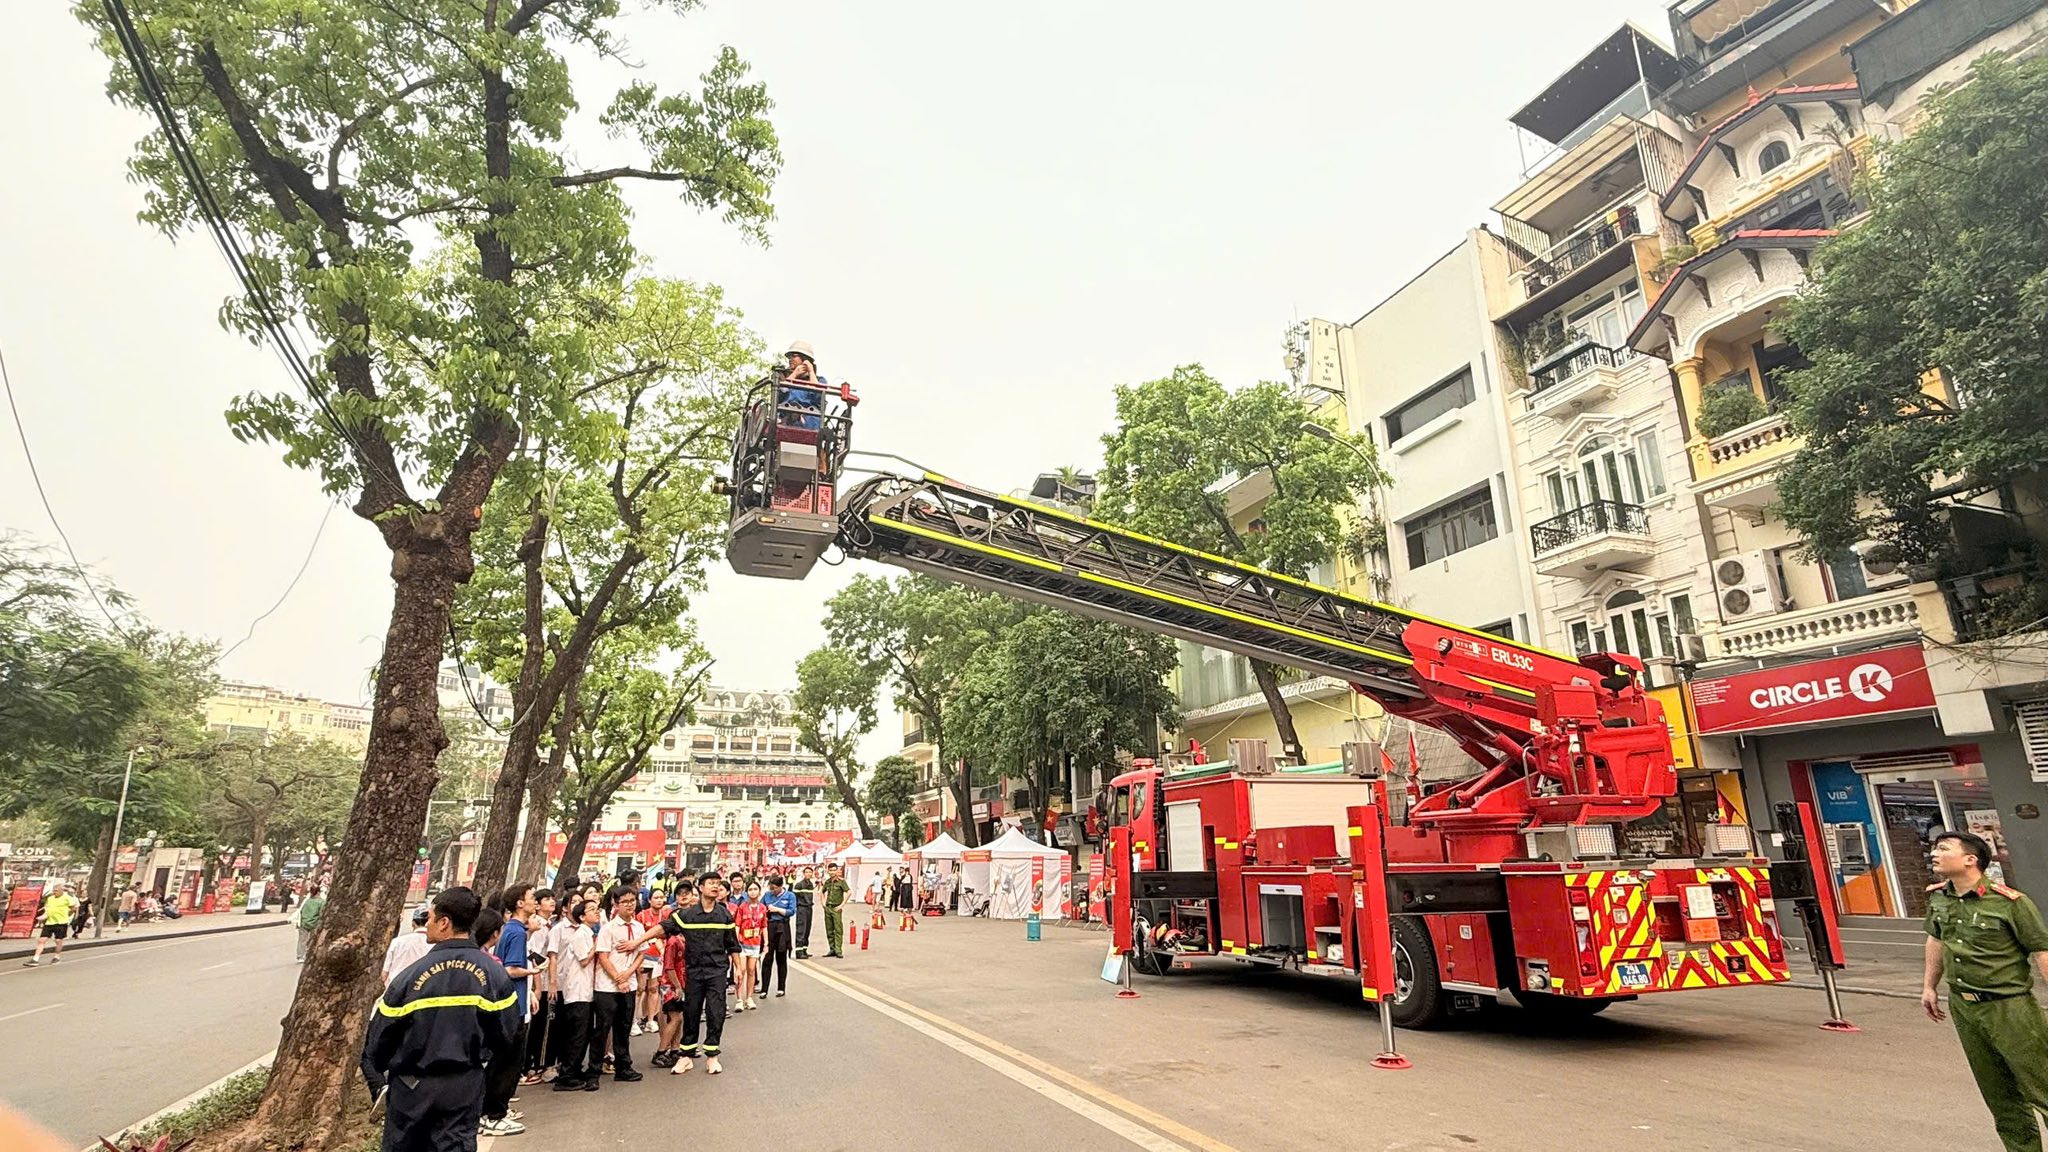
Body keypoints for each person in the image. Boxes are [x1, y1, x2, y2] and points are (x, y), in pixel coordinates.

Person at [360, 887, 518, 1152]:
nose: (428, 923)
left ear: (444, 923)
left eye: (430, 917)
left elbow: (378, 1044)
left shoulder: (408, 979)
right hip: (464, 1087)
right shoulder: (494, 975)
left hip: (412, 1088)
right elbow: (506, 1035)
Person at [1922, 829, 2048, 1151]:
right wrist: (1929, 986)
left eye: (1943, 848)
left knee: (2043, 1089)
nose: (1934, 853)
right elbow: (1936, 940)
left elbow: (2042, 951)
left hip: (2010, 1007)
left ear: (1970, 860)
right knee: (2000, 1098)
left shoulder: (2010, 903)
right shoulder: (1938, 897)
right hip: (1964, 1008)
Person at [481, 885, 537, 1135]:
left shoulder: (515, 931)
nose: (535, 901)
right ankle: (494, 1115)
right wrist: (533, 971)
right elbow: (511, 968)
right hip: (513, 1006)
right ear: (519, 904)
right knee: (508, 1062)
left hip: (514, 1004)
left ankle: (495, 1110)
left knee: (505, 1061)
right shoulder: (516, 933)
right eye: (532, 898)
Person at [589, 886, 644, 1083]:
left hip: (629, 984)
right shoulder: (608, 928)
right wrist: (617, 978)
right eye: (625, 901)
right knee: (602, 1029)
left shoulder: (638, 927)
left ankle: (623, 1066)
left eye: (632, 900)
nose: (630, 905)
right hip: (607, 987)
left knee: (624, 1027)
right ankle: (593, 1071)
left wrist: (628, 975)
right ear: (616, 904)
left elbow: (641, 953)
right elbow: (603, 956)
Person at [551, 898, 601, 1092]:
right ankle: (567, 1074)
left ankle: (574, 1069)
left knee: (584, 1032)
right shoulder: (581, 935)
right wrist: (596, 948)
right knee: (577, 1035)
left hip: (585, 990)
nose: (596, 912)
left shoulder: (588, 933)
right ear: (582, 916)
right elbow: (584, 960)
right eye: (591, 910)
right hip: (577, 991)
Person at [522, 889, 556, 1084]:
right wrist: (539, 983)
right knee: (535, 1025)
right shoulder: (536, 926)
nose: (551, 902)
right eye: (546, 899)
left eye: (552, 898)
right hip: (537, 979)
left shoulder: (550, 924)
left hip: (542, 977)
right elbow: (532, 954)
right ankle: (531, 1065)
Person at [23, 882, 79, 967]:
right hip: (49, 922)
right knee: (41, 940)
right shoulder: (50, 898)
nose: (54, 892)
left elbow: (73, 908)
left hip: (61, 922)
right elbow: (48, 909)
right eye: (53, 890)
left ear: (61, 891)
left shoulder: (67, 898)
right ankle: (35, 959)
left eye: (56, 891)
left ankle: (57, 956)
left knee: (58, 940)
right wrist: (43, 917)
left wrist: (69, 914)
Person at [733, 880, 768, 1011]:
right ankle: (739, 999)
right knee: (741, 971)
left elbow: (764, 926)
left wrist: (767, 943)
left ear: (759, 891)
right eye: (750, 889)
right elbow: (737, 925)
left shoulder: (763, 908)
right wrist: (735, 942)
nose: (753, 891)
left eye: (755, 889)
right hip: (742, 943)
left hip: (755, 943)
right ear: (746, 892)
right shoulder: (742, 907)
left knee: (752, 970)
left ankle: (749, 998)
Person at [777, 340, 823, 430]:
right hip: (786, 422)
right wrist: (794, 375)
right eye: (789, 357)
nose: (790, 359)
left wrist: (810, 371)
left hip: (810, 424)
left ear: (805, 359)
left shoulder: (819, 380)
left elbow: (818, 396)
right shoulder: (783, 377)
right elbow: (780, 395)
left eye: (793, 356)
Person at [382, 906, 433, 988]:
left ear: (413, 923)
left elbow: (384, 974)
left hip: (395, 989)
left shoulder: (397, 942)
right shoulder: (436, 944)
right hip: (422, 990)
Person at [762, 874, 795, 998]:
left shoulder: (790, 896)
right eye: (771, 888)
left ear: (781, 886)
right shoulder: (767, 895)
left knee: (781, 958)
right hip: (770, 926)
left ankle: (781, 987)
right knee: (767, 958)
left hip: (782, 927)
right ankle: (764, 988)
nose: (773, 891)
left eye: (775, 888)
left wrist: (777, 909)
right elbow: (761, 908)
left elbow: (791, 911)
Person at [295, 882, 328, 962]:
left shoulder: (306, 901)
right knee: (312, 940)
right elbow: (321, 913)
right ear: (318, 892)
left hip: (303, 922)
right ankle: (310, 954)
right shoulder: (321, 902)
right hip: (314, 923)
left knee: (302, 940)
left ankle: (300, 956)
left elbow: (301, 911)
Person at [822, 864, 848, 959]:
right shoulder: (827, 882)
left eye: (834, 870)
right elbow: (822, 891)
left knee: (838, 929)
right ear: (828, 871)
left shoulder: (841, 882)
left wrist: (842, 905)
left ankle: (838, 950)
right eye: (831, 870)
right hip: (828, 908)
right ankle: (832, 949)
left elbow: (849, 892)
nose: (832, 872)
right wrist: (823, 903)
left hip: (836, 908)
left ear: (837, 871)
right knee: (829, 929)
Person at [792, 866, 816, 959]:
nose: (808, 874)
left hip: (809, 908)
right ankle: (799, 951)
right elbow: (794, 898)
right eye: (806, 872)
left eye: (810, 872)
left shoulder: (810, 884)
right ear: (803, 873)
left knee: (807, 929)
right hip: (802, 908)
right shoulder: (799, 885)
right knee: (801, 929)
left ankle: (804, 949)